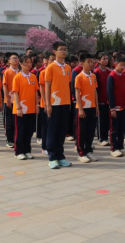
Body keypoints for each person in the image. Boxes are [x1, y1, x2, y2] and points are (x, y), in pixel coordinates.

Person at [43, 41, 73, 169]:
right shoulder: (50, 67)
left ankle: (60, 156)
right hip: (54, 104)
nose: (64, 51)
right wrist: (48, 104)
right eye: (61, 49)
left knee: (62, 131)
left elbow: (67, 86)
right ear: (55, 51)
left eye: (65, 49)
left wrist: (69, 102)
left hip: (65, 103)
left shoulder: (68, 68)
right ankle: (52, 157)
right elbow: (47, 86)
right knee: (53, 130)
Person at [11, 55, 39, 160]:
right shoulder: (17, 77)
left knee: (29, 131)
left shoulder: (33, 77)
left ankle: (27, 150)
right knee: (20, 131)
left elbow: (36, 92)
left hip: (31, 109)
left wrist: (37, 105)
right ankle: (18, 151)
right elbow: (15, 93)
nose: (28, 64)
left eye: (29, 62)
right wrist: (18, 108)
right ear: (21, 64)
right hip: (21, 109)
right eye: (26, 62)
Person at [74, 53, 99, 163]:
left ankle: (88, 150)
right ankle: (81, 153)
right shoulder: (79, 77)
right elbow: (77, 93)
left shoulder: (93, 76)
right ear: (82, 63)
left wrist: (97, 107)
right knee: (81, 131)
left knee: (90, 130)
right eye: (88, 62)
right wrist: (80, 108)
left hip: (92, 107)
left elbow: (95, 92)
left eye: (92, 62)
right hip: (83, 108)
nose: (91, 64)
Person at [107, 56, 125, 158]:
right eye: (121, 65)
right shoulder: (111, 76)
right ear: (115, 64)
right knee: (114, 129)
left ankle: (121, 146)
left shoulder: (124, 75)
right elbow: (110, 93)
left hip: (123, 106)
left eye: (124, 65)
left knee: (122, 128)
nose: (123, 67)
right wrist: (112, 108)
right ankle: (114, 148)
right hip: (115, 107)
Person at [93, 53, 111, 146]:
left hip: (108, 99)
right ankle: (101, 138)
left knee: (107, 120)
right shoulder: (96, 72)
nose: (106, 60)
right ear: (99, 60)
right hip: (100, 99)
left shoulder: (109, 71)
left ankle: (105, 137)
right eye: (103, 59)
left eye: (107, 59)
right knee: (101, 120)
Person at [3, 53, 20, 149]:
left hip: (20, 101)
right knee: (9, 121)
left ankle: (16, 139)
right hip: (10, 100)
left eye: (16, 58)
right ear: (9, 61)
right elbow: (5, 86)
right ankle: (9, 140)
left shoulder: (21, 72)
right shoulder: (7, 72)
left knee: (18, 121)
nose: (15, 59)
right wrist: (7, 99)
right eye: (13, 58)